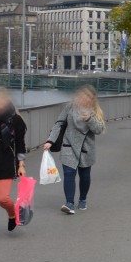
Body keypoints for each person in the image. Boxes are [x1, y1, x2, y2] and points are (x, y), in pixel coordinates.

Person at [45, 85, 106, 215]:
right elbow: (59, 123)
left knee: (84, 176)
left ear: (91, 99)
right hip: (69, 146)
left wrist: (89, 119)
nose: (83, 98)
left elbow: (99, 130)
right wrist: (50, 140)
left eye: (87, 97)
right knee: (68, 174)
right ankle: (69, 203)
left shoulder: (94, 111)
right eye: (82, 95)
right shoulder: (70, 107)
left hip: (86, 149)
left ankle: (83, 199)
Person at [0, 89, 26, 239]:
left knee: (2, 197)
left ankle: (12, 213)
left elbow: (20, 144)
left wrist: (21, 165)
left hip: (5, 161)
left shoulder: (15, 120)